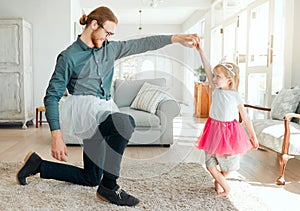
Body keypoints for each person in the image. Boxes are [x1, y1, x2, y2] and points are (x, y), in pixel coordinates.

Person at [16, 6, 200, 207]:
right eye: (107, 32)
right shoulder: (68, 57)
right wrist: (56, 135)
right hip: (83, 113)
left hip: (104, 110)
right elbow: (51, 96)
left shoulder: (109, 49)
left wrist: (174, 38)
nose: (108, 37)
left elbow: (142, 43)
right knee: (125, 122)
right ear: (94, 25)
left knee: (91, 177)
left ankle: (38, 164)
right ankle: (110, 187)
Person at [194, 42, 259, 197]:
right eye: (214, 76)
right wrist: (200, 50)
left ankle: (220, 181)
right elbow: (207, 67)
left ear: (229, 80)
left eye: (219, 77)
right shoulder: (215, 90)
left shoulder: (235, 96)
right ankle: (226, 188)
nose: (214, 79)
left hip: (229, 133)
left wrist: (253, 136)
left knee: (228, 166)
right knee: (210, 164)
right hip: (212, 129)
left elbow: (246, 117)